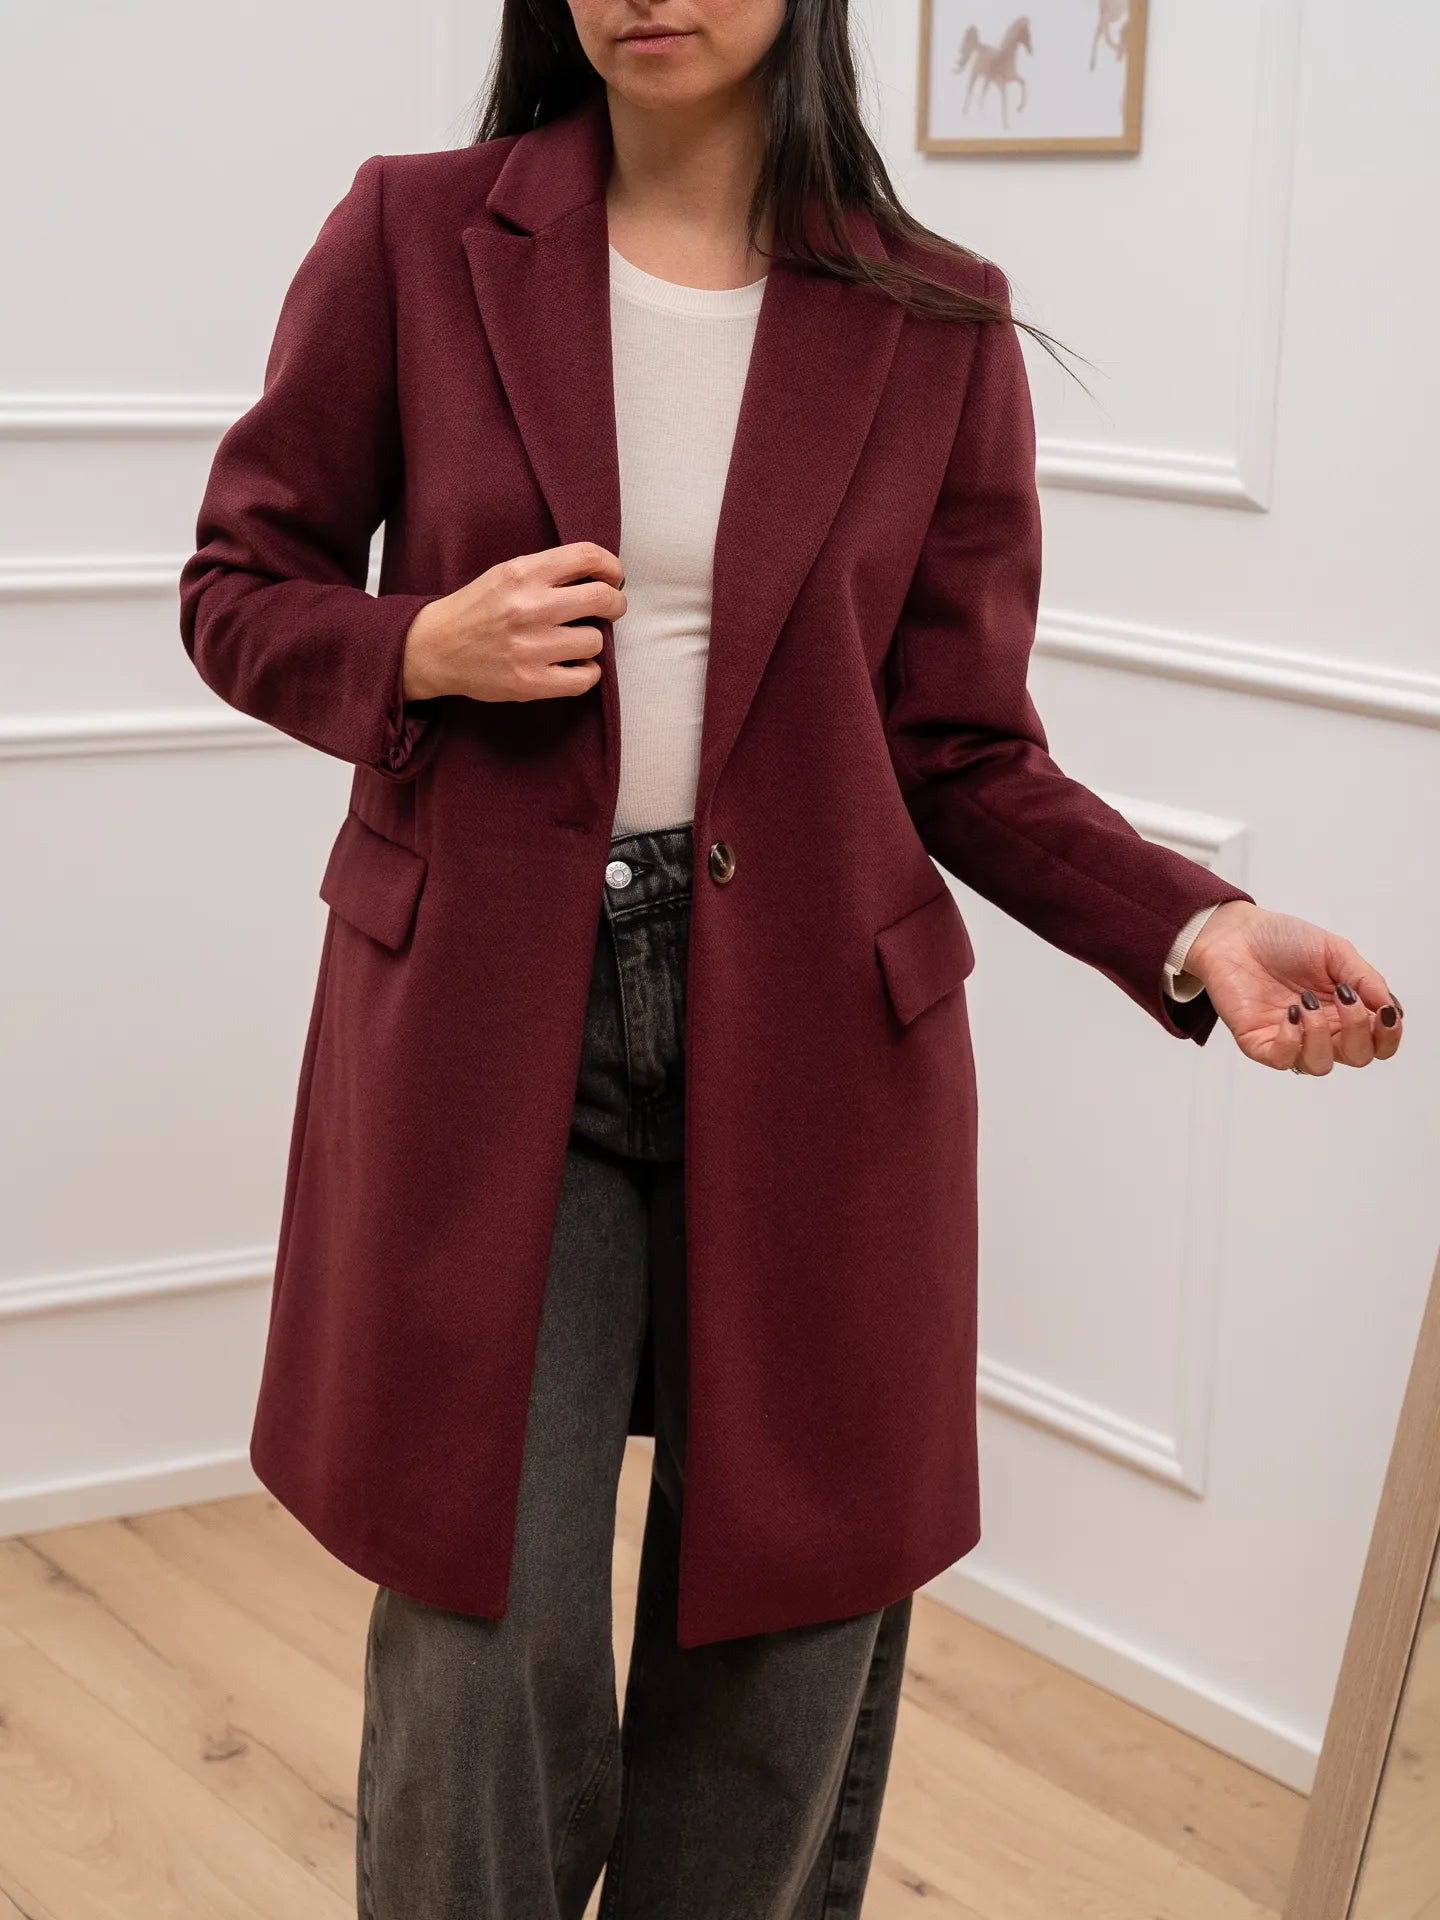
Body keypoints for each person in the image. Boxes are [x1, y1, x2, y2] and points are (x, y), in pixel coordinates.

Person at [178, 4, 1405, 1915]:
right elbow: (237, 585)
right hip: (493, 1032)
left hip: (824, 1034)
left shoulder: (937, 315)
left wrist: (1192, 923)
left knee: (785, 1647)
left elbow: (963, 749)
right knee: (481, 1644)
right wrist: (417, 645)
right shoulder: (415, 232)